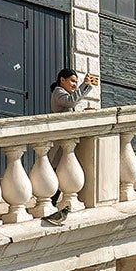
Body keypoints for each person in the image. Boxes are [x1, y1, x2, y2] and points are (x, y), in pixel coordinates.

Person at [43, 69, 98, 225]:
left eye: (76, 81)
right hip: (61, 141)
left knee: (62, 171)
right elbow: (71, 102)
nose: (74, 84)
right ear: (62, 80)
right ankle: (49, 203)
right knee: (55, 170)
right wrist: (84, 85)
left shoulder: (64, 93)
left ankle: (52, 204)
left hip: (66, 141)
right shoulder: (58, 92)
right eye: (72, 81)